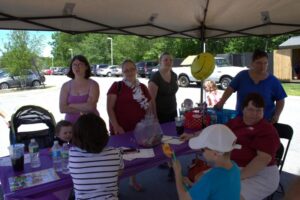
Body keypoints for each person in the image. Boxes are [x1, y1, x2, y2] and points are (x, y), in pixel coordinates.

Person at [107, 59, 151, 191]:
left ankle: (132, 180)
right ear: (122, 72)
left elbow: (148, 105)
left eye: (132, 69)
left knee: (134, 155)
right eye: (126, 70)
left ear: (136, 70)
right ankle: (115, 186)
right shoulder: (116, 86)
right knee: (118, 157)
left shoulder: (142, 87)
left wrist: (148, 122)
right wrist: (116, 125)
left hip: (138, 128)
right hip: (120, 127)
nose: (129, 72)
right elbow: (110, 108)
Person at [226, 93, 280, 200]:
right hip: (235, 167)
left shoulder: (266, 130)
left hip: (262, 173)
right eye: (251, 109)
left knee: (231, 195)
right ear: (243, 109)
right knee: (201, 179)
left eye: (259, 110)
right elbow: (217, 131)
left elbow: (262, 159)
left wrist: (236, 178)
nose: (255, 114)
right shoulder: (236, 122)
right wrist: (193, 135)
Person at [215, 49, 287, 123]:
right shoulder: (242, 76)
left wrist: (277, 115)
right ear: (252, 63)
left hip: (264, 121)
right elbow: (230, 89)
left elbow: (280, 100)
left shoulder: (273, 81)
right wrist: (221, 102)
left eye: (265, 63)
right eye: (259, 63)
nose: (262, 66)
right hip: (242, 119)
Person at [172, 124, 241, 200]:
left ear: (215, 154)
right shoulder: (235, 168)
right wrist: (192, 184)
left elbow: (184, 198)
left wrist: (177, 174)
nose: (202, 153)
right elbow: (219, 190)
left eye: (203, 150)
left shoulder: (209, 178)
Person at [69, 113, 124, 200]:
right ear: (104, 135)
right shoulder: (116, 153)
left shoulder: (72, 154)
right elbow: (119, 173)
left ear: (76, 136)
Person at [59, 55, 100, 123]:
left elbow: (91, 107)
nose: (77, 67)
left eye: (80, 64)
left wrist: (71, 105)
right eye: (74, 65)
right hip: (71, 125)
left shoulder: (93, 84)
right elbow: (62, 109)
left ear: (86, 67)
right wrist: (83, 109)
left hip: (91, 124)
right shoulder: (65, 86)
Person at [148, 52, 178, 123]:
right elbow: (151, 101)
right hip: (160, 115)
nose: (169, 62)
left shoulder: (174, 75)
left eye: (171, 60)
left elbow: (173, 90)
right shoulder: (155, 77)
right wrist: (155, 117)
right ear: (160, 62)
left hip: (173, 112)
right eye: (166, 60)